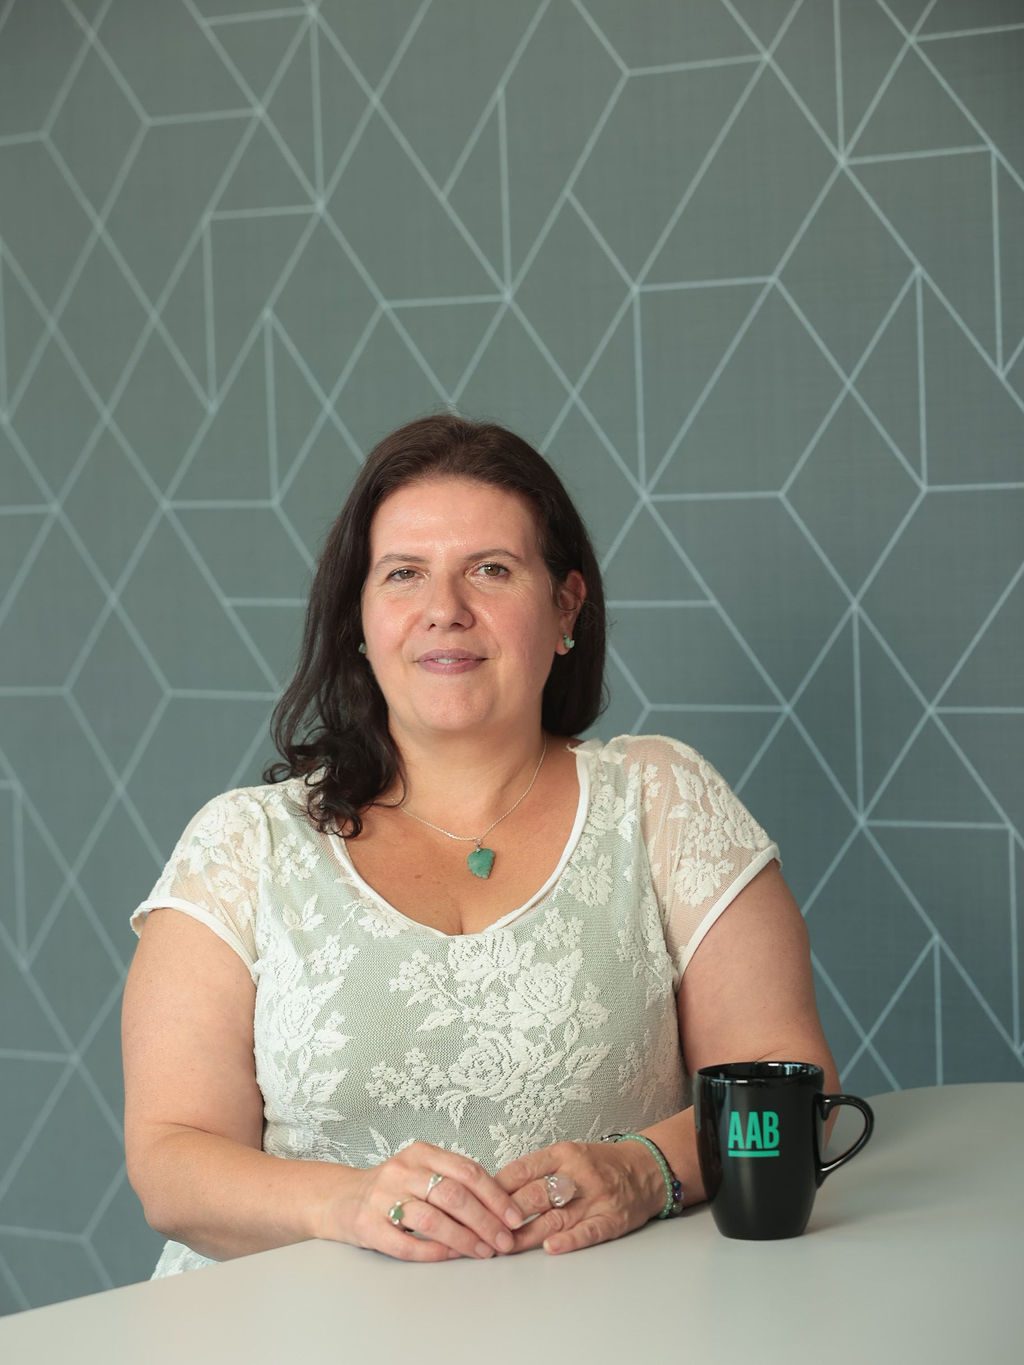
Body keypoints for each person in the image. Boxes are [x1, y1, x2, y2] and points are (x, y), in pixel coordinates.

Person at [122, 413, 840, 1275]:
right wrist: (344, 1203)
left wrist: (646, 1169)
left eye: (490, 570)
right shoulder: (242, 845)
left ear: (564, 605)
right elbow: (170, 1159)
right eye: (404, 575)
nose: (444, 611)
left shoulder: (664, 802)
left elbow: (789, 1085)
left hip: (609, 1326)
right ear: (361, 616)